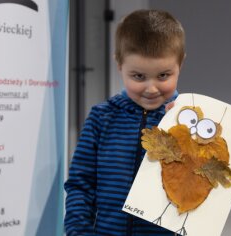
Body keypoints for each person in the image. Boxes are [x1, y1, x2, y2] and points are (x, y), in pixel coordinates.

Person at [64, 9, 185, 235]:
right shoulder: (101, 118)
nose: (151, 88)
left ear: (180, 64)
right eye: (138, 76)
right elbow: (81, 184)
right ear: (119, 64)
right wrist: (79, 231)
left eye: (163, 76)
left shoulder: (187, 122)